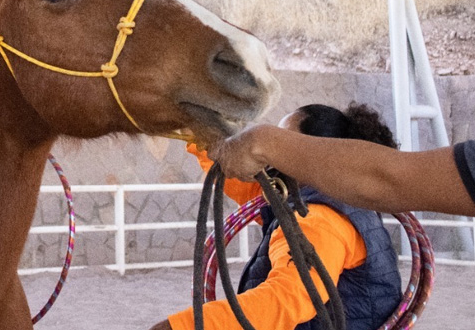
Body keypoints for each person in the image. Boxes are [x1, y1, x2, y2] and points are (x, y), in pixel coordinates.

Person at [158, 104, 402, 330]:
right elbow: (250, 188)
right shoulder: (335, 198)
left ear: (316, 153)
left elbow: (285, 299)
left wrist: (181, 327)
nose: (271, 152)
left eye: (283, 141)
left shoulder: (318, 219)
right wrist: (200, 136)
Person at [212, 116, 475, 218]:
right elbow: (244, 186)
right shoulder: (296, 204)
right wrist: (202, 140)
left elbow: (386, 181)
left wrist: (264, 142)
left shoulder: (319, 218)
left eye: (293, 142)